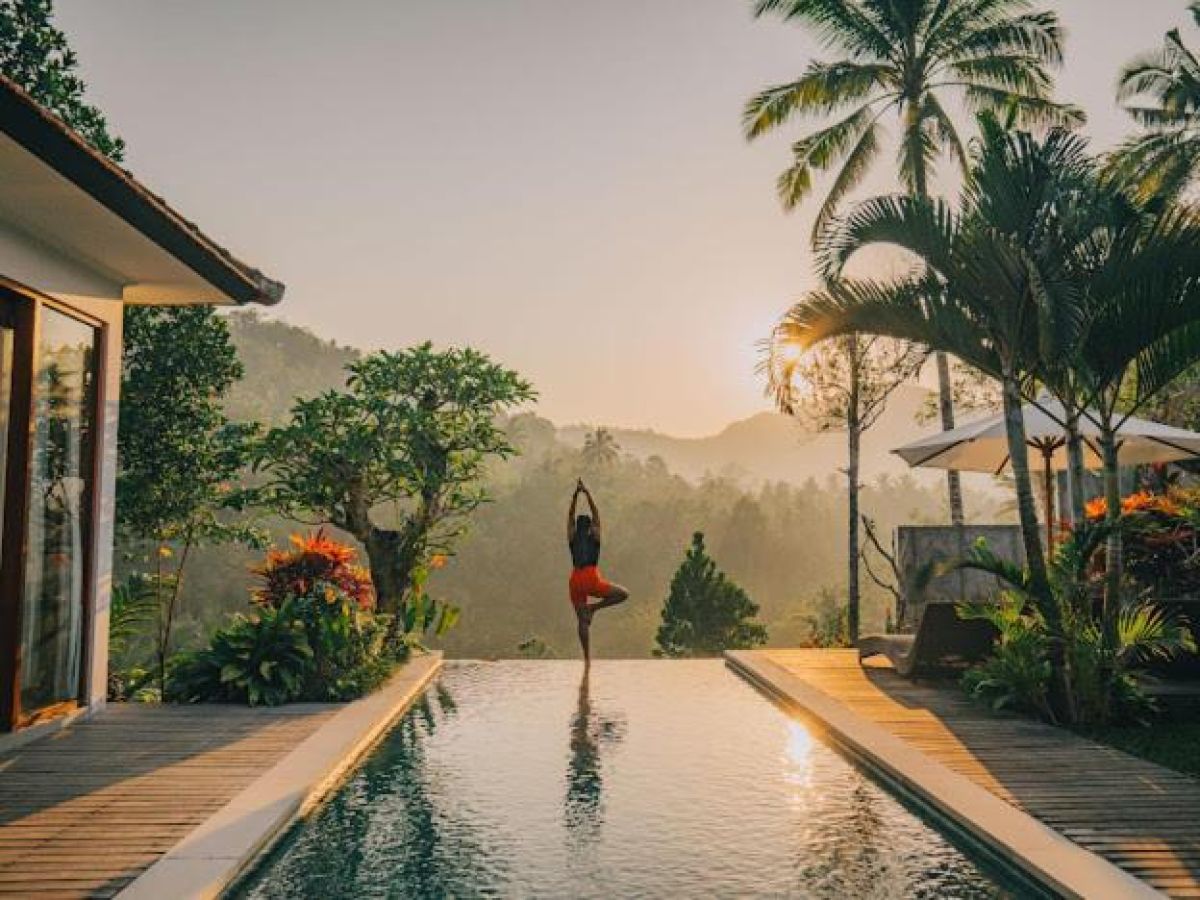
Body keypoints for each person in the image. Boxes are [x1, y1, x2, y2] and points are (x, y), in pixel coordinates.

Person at [567, 479, 629, 665]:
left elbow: (570, 517)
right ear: (590, 528)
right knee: (623, 594)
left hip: (575, 578)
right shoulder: (595, 536)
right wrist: (587, 493)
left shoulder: (572, 537)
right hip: (591, 576)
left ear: (577, 527)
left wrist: (575, 496)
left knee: (581, 621)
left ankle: (586, 658)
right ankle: (593, 608)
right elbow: (596, 515)